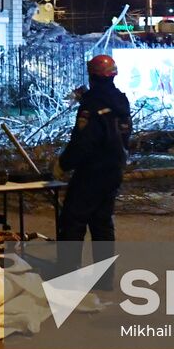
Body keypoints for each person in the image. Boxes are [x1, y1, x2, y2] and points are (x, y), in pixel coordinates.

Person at [55, 54, 132, 276]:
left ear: (92, 76)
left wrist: (63, 163)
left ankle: (67, 274)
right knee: (102, 224)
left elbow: (84, 141)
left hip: (92, 172)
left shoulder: (92, 104)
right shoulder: (119, 101)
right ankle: (104, 278)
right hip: (114, 170)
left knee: (73, 220)